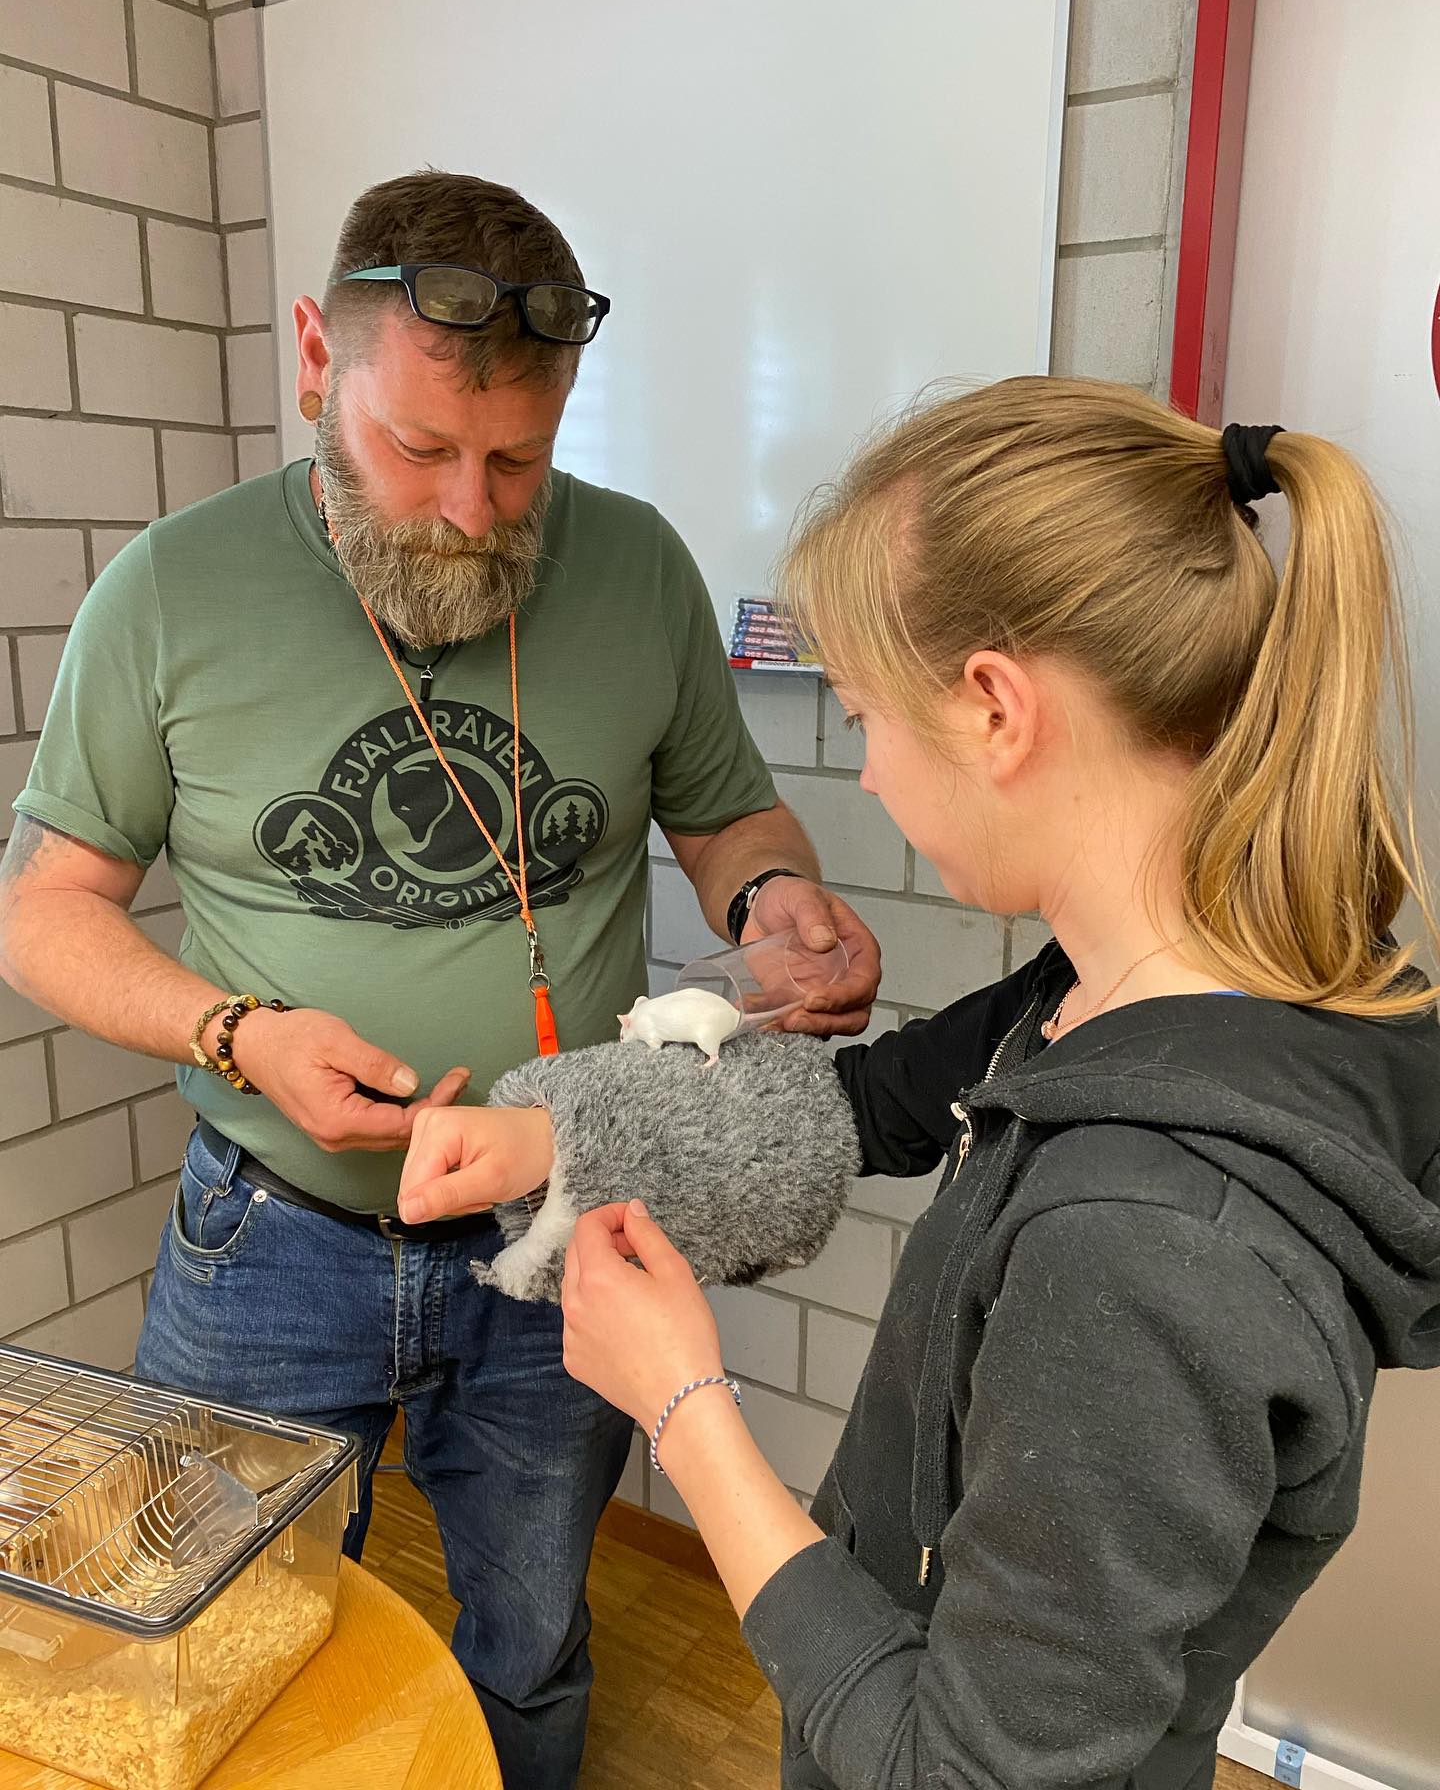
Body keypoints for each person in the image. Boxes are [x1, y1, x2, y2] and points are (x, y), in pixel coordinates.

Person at [396, 378, 1440, 1789]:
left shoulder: (1144, 1245)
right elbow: (863, 1108)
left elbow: (960, 1769)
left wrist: (682, 1407)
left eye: (869, 713)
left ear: (998, 708)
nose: (869, 775)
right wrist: (550, 1141)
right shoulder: (1113, 992)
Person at [0, 169, 880, 1786]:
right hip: (271, 1237)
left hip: (559, 1236)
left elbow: (728, 814)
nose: (475, 512)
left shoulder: (637, 570)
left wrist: (778, 902)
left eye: (517, 462)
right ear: (313, 361)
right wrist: (232, 1029)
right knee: (205, 1638)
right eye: (420, 453)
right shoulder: (172, 593)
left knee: (532, 1643)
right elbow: (45, 910)